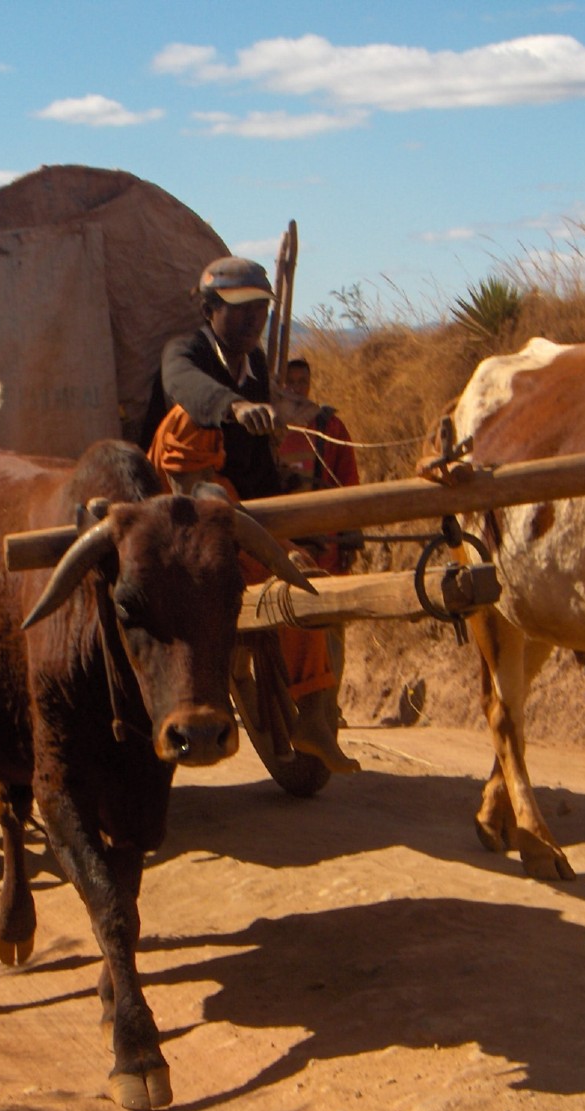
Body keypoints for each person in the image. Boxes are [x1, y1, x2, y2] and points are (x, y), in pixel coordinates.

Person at [144, 256, 358, 773]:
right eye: (239, 310)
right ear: (209, 309)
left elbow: (258, 462)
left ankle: (312, 715)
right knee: (186, 422)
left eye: (260, 309)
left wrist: (282, 528)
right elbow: (185, 387)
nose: (253, 320)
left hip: (231, 509)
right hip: (174, 504)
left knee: (298, 580)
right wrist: (234, 407)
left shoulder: (257, 365)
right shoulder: (185, 352)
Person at [275, 357, 361, 575]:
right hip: (279, 538)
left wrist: (350, 538)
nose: (295, 388)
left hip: (324, 539)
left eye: (302, 382)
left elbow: (348, 481)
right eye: (289, 382)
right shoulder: (264, 427)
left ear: (310, 385)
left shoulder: (329, 427)